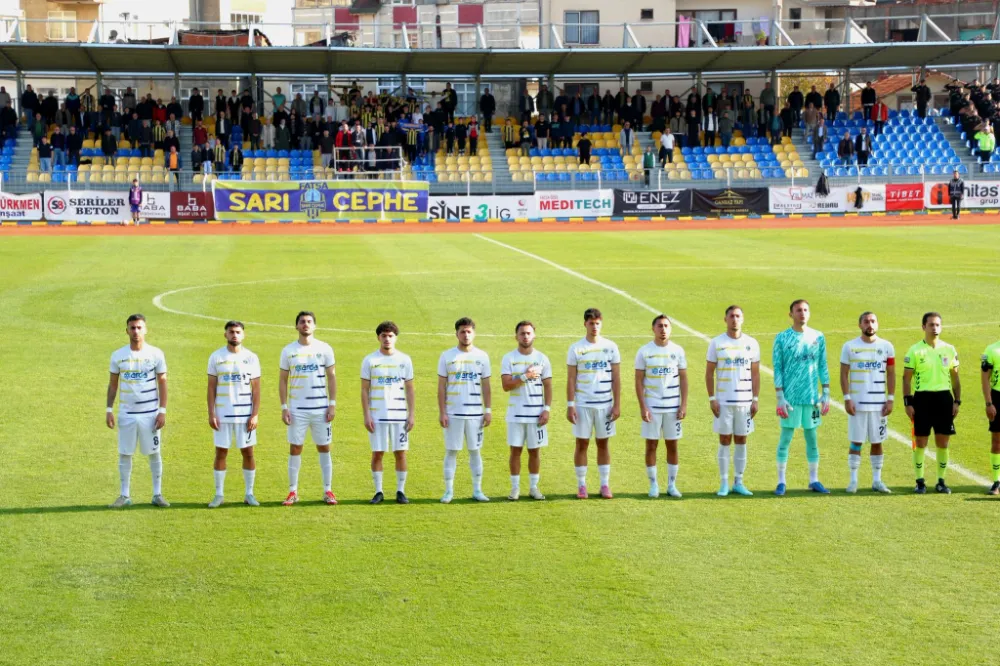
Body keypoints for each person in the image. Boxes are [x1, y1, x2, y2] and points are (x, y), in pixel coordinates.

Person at [106, 314, 169, 509]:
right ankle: (124, 495)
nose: (135, 331)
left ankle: (157, 494)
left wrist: (162, 410)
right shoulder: (118, 355)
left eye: (139, 327)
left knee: (154, 453)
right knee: (125, 453)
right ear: (127, 331)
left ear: (145, 329)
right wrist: (109, 409)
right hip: (127, 413)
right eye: (132, 328)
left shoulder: (156, 354)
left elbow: (163, 382)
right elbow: (113, 384)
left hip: (150, 413)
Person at [772, 299, 831, 496]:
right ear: (791, 314)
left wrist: (827, 393)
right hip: (790, 399)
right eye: (798, 310)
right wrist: (780, 396)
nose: (802, 313)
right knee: (785, 439)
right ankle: (781, 482)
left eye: (805, 310)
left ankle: (814, 480)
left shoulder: (818, 337)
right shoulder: (782, 338)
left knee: (812, 439)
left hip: (812, 398)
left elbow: (822, 365)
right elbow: (777, 368)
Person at [278, 311, 338, 506]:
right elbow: (283, 380)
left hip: (321, 408)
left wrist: (332, 404)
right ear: (296, 326)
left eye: (309, 322)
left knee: (324, 447)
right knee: (295, 447)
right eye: (302, 322)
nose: (306, 324)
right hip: (297, 410)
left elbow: (332, 377)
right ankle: (292, 491)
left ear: (314, 326)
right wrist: (284, 407)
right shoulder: (288, 351)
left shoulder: (325, 349)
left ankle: (328, 490)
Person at [903, 313, 961, 495]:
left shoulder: (950, 349)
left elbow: (955, 378)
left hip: (944, 399)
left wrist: (957, 401)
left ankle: (941, 481)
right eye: (931, 325)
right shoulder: (914, 351)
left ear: (941, 327)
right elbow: (906, 379)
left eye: (937, 325)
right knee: (921, 441)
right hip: (922, 399)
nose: (934, 328)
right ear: (923, 327)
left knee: (943, 442)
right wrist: (908, 402)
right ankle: (920, 481)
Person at [206, 321, 261, 509]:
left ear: (243, 335)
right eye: (231, 332)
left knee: (248, 452)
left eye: (238, 332)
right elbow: (211, 387)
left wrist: (255, 414)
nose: (234, 335)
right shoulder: (216, 357)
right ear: (225, 335)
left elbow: (257, 389)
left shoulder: (251, 358)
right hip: (223, 415)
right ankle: (219, 494)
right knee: (221, 452)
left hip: (245, 415)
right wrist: (211, 412)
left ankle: (249, 493)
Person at [706, 305, 760, 497]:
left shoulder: (752, 343)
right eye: (731, 316)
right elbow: (709, 372)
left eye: (738, 316)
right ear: (725, 319)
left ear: (742, 319)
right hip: (724, 402)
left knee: (741, 440)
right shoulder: (717, 343)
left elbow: (755, 373)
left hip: (745, 402)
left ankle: (738, 481)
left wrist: (755, 399)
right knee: (724, 440)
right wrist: (712, 398)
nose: (734, 319)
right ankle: (723, 483)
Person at [567, 308, 621, 499]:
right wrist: (570, 404)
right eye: (591, 323)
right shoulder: (576, 348)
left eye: (597, 323)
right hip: (583, 404)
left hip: (605, 405)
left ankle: (604, 485)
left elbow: (616, 377)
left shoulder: (611, 347)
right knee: (581, 444)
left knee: (603, 444)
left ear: (601, 323)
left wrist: (617, 404)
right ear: (585, 324)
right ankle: (581, 485)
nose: (595, 327)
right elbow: (571, 378)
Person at [437, 317, 492, 504]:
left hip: (476, 413)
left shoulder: (482, 356)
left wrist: (488, 409)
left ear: (474, 333)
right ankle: (448, 491)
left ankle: (477, 490)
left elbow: (486, 385)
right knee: (451, 451)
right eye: (462, 331)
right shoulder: (447, 356)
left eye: (469, 331)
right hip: (453, 413)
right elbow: (441, 386)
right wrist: (442, 412)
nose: (466, 335)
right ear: (456, 334)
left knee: (475, 451)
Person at [840, 312, 895, 494]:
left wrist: (891, 399)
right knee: (856, 442)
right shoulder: (849, 347)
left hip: (879, 406)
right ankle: (853, 480)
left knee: (877, 442)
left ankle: (877, 480)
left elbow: (892, 374)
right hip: (858, 405)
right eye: (866, 321)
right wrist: (847, 399)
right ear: (860, 325)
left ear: (877, 324)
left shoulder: (887, 347)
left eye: (872, 321)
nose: (869, 325)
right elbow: (843, 374)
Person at [361, 321, 414, 505]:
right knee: (378, 453)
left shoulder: (404, 360)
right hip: (377, 416)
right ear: (378, 337)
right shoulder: (370, 360)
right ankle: (379, 491)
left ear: (395, 338)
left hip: (399, 416)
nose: (387, 339)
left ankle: (400, 490)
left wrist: (412, 413)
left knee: (400, 453)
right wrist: (366, 415)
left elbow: (409, 388)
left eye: (390, 335)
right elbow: (364, 390)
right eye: (384, 335)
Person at [636, 315, 688, 499]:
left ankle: (672, 485)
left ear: (671, 329)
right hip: (653, 407)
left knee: (672, 445)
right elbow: (639, 381)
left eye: (666, 326)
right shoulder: (644, 351)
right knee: (651, 445)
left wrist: (683, 404)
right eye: (660, 326)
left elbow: (683, 379)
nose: (663, 329)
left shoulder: (678, 351)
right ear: (653, 329)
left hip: (673, 408)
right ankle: (653, 485)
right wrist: (643, 407)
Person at [501, 321, 553, 501]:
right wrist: (525, 376)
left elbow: (548, 386)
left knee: (534, 452)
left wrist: (547, 409)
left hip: (536, 416)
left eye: (528, 333)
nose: (525, 336)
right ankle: (515, 489)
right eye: (522, 333)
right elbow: (506, 386)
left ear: (534, 335)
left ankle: (533, 487)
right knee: (515, 451)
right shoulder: (509, 358)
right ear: (516, 336)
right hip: (515, 415)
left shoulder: (542, 359)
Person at [981, 337, 1000, 494]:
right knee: (997, 442)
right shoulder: (992, 350)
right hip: (998, 398)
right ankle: (997, 482)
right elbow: (985, 379)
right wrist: (989, 403)